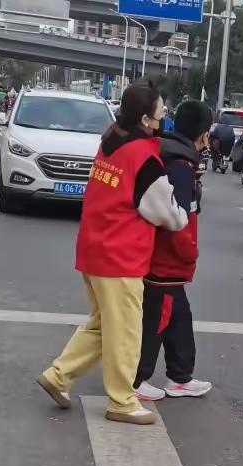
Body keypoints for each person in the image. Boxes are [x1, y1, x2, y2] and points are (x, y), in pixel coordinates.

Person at [37, 81, 188, 426]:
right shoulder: (144, 157)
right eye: (162, 111)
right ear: (147, 119)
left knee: (103, 325)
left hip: (94, 249)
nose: (164, 115)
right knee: (125, 332)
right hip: (121, 256)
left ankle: (58, 376)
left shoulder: (111, 141)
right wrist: (182, 214)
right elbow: (166, 213)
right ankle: (121, 400)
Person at [134, 100, 213, 401]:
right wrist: (189, 253)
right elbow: (177, 219)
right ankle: (136, 378)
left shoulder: (170, 153)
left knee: (179, 315)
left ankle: (181, 377)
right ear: (203, 135)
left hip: (163, 259)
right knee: (158, 318)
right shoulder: (180, 166)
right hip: (165, 260)